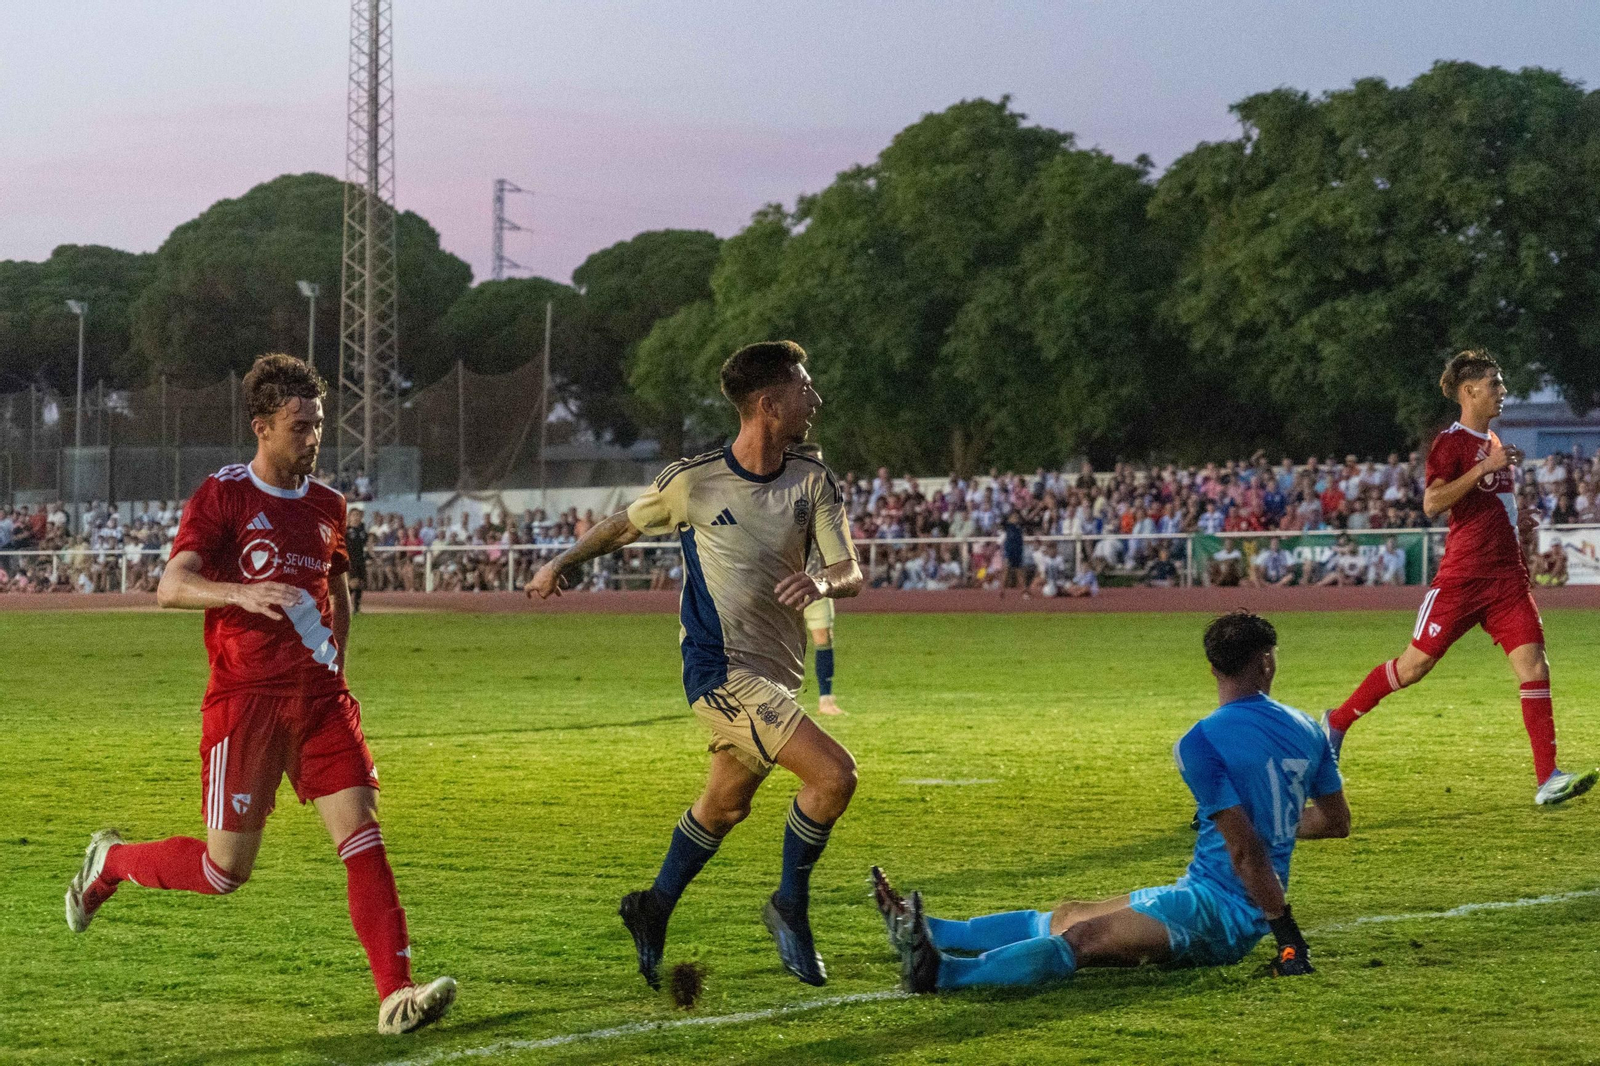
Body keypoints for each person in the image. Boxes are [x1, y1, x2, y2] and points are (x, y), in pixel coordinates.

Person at [61, 354, 456, 1035]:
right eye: (300, 426)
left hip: (321, 701)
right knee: (224, 872)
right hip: (245, 701)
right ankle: (112, 862)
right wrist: (240, 592)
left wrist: (339, 665)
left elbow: (334, 589)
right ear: (262, 427)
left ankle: (396, 995)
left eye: (319, 425)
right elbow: (171, 587)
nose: (314, 438)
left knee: (363, 834)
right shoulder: (224, 495)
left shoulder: (330, 506)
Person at [527, 340, 863, 989]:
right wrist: (562, 563)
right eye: (805, 388)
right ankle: (788, 905)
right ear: (769, 403)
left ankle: (652, 906)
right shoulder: (694, 481)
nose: (815, 399)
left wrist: (822, 584)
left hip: (775, 675)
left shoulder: (814, 478)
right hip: (720, 673)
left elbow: (849, 569)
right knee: (835, 777)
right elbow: (622, 526)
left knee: (723, 807)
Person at [876, 612, 1349, 993]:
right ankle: (929, 929)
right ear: (1267, 662)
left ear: (1212, 667)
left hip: (1225, 914)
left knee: (1084, 940)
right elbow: (1334, 821)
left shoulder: (1198, 743)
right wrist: (1279, 824)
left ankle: (940, 974)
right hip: (1203, 893)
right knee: (1069, 914)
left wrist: (1286, 934)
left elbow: (1245, 852)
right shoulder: (1310, 730)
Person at [1324, 350, 1597, 806]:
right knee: (1414, 666)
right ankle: (1337, 721)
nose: (1503, 390)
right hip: (1462, 579)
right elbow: (1433, 503)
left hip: (1507, 580)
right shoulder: (1451, 444)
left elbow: (1488, 504)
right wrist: (1484, 469)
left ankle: (1548, 777)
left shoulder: (1491, 439)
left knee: (1535, 668)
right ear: (1470, 391)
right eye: (1496, 382)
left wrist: (1518, 521)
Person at [797, 444, 844, 716]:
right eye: (813, 460)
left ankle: (826, 699)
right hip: (785, 581)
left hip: (817, 582)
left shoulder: (828, 497)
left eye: (820, 461)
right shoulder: (782, 493)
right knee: (782, 643)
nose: (818, 467)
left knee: (823, 637)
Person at [346, 505, 369, 613]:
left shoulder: (362, 531)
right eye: (354, 515)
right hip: (350, 560)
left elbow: (367, 543)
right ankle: (344, 605)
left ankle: (357, 608)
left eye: (358, 515)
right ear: (349, 517)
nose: (356, 518)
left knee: (360, 583)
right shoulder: (346, 531)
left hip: (360, 560)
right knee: (352, 583)